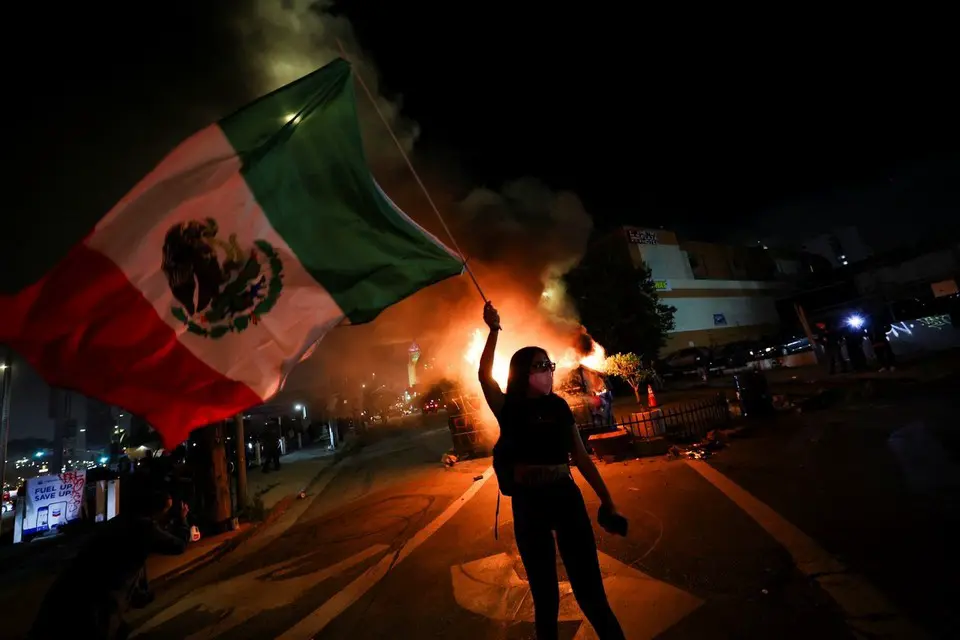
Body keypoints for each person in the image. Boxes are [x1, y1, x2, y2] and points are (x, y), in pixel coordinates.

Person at [478, 302, 626, 640]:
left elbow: (581, 457)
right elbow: (484, 377)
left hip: (565, 498)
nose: (548, 371)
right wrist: (494, 330)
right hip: (529, 506)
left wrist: (607, 500)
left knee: (591, 592)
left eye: (549, 365)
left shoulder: (558, 406)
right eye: (540, 366)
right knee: (545, 598)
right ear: (523, 372)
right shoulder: (509, 407)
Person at [29, 490, 188, 640]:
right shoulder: (143, 528)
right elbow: (178, 546)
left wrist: (137, 593)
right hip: (95, 599)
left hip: (74, 591)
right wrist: (182, 521)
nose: (165, 514)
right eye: (166, 509)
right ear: (155, 510)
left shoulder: (121, 521)